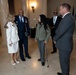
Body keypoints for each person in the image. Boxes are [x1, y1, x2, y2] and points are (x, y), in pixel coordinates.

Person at [53, 3, 75, 75]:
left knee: (64, 63)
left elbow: (60, 32)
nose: (59, 11)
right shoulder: (68, 17)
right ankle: (64, 73)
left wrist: (54, 38)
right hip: (65, 44)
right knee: (65, 62)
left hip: (65, 46)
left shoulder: (67, 18)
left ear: (64, 9)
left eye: (60, 9)